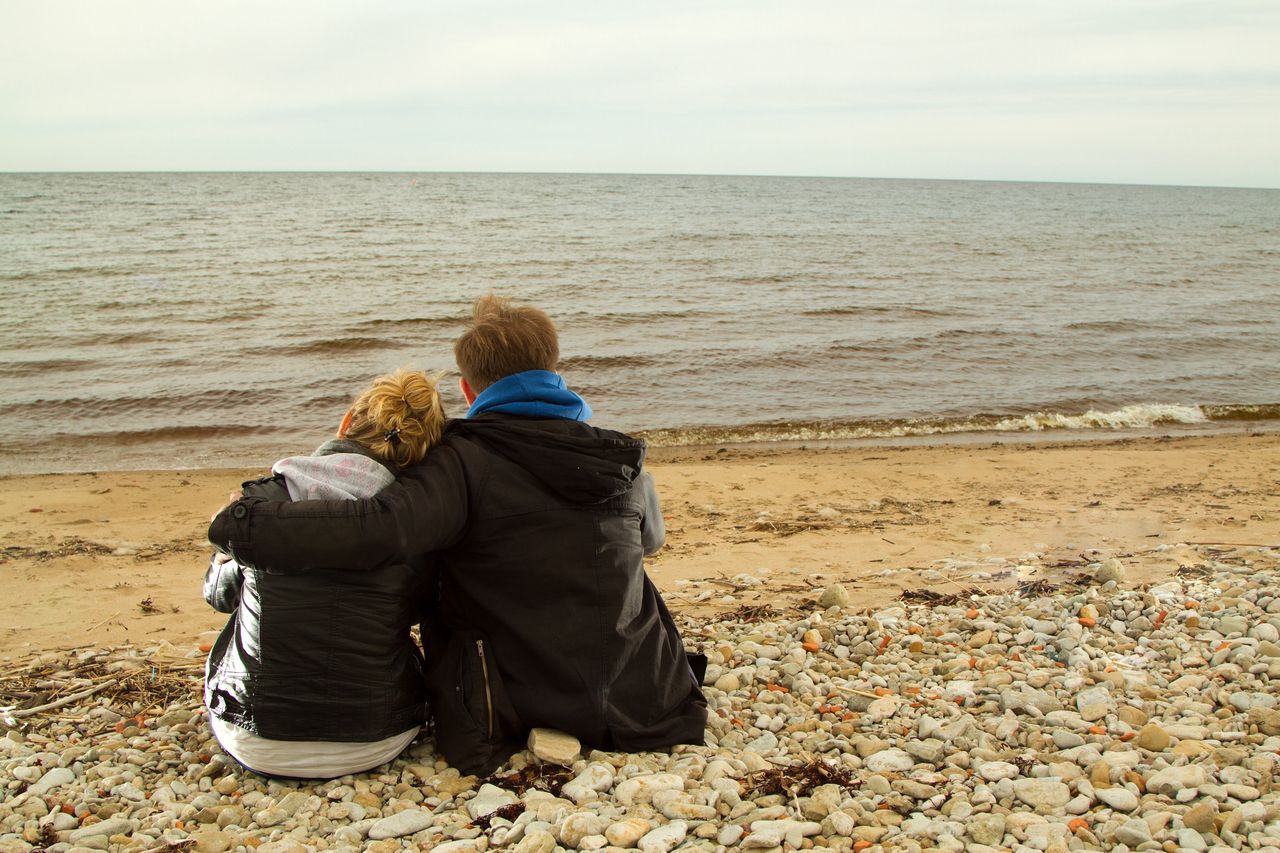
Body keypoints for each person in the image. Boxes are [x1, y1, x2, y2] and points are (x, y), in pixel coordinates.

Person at [209, 295, 707, 775]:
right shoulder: (619, 461)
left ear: (468, 392)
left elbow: (380, 530)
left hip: (511, 696)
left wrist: (245, 521)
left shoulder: (461, 461)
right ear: (557, 373)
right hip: (638, 692)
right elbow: (649, 543)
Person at [203, 368, 446, 778]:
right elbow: (421, 607)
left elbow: (219, 595)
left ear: (347, 422)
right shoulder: (410, 522)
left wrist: (224, 563)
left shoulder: (265, 503)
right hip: (378, 734)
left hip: (255, 735)